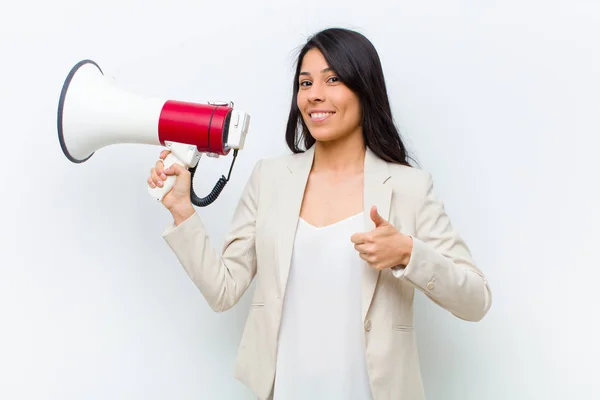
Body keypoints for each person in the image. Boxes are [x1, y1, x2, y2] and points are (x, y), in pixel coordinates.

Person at [147, 27, 492, 400]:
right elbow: (223, 290)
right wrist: (182, 210)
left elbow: (476, 300)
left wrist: (409, 253)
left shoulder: (409, 187)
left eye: (333, 80)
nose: (315, 95)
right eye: (305, 82)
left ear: (364, 91)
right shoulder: (270, 179)